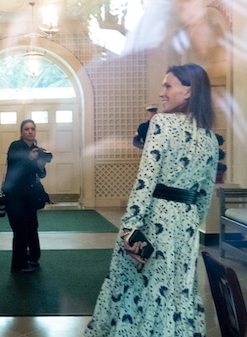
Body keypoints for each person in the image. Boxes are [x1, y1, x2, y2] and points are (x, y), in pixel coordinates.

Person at [84, 63, 219, 336]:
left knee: (139, 292)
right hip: (187, 227)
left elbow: (146, 180)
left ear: (189, 91)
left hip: (154, 222)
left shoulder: (161, 123)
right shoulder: (210, 137)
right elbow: (205, 194)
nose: (162, 92)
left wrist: (131, 228)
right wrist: (189, 219)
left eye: (168, 86)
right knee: (177, 295)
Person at [2, 120, 48, 272]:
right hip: (15, 195)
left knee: (32, 227)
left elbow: (40, 174)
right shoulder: (15, 146)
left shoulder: (37, 149)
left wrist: (41, 165)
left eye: (32, 129)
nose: (30, 131)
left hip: (30, 196)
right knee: (20, 229)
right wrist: (29, 157)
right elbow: (13, 163)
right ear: (21, 132)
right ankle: (19, 264)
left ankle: (34, 258)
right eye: (26, 129)